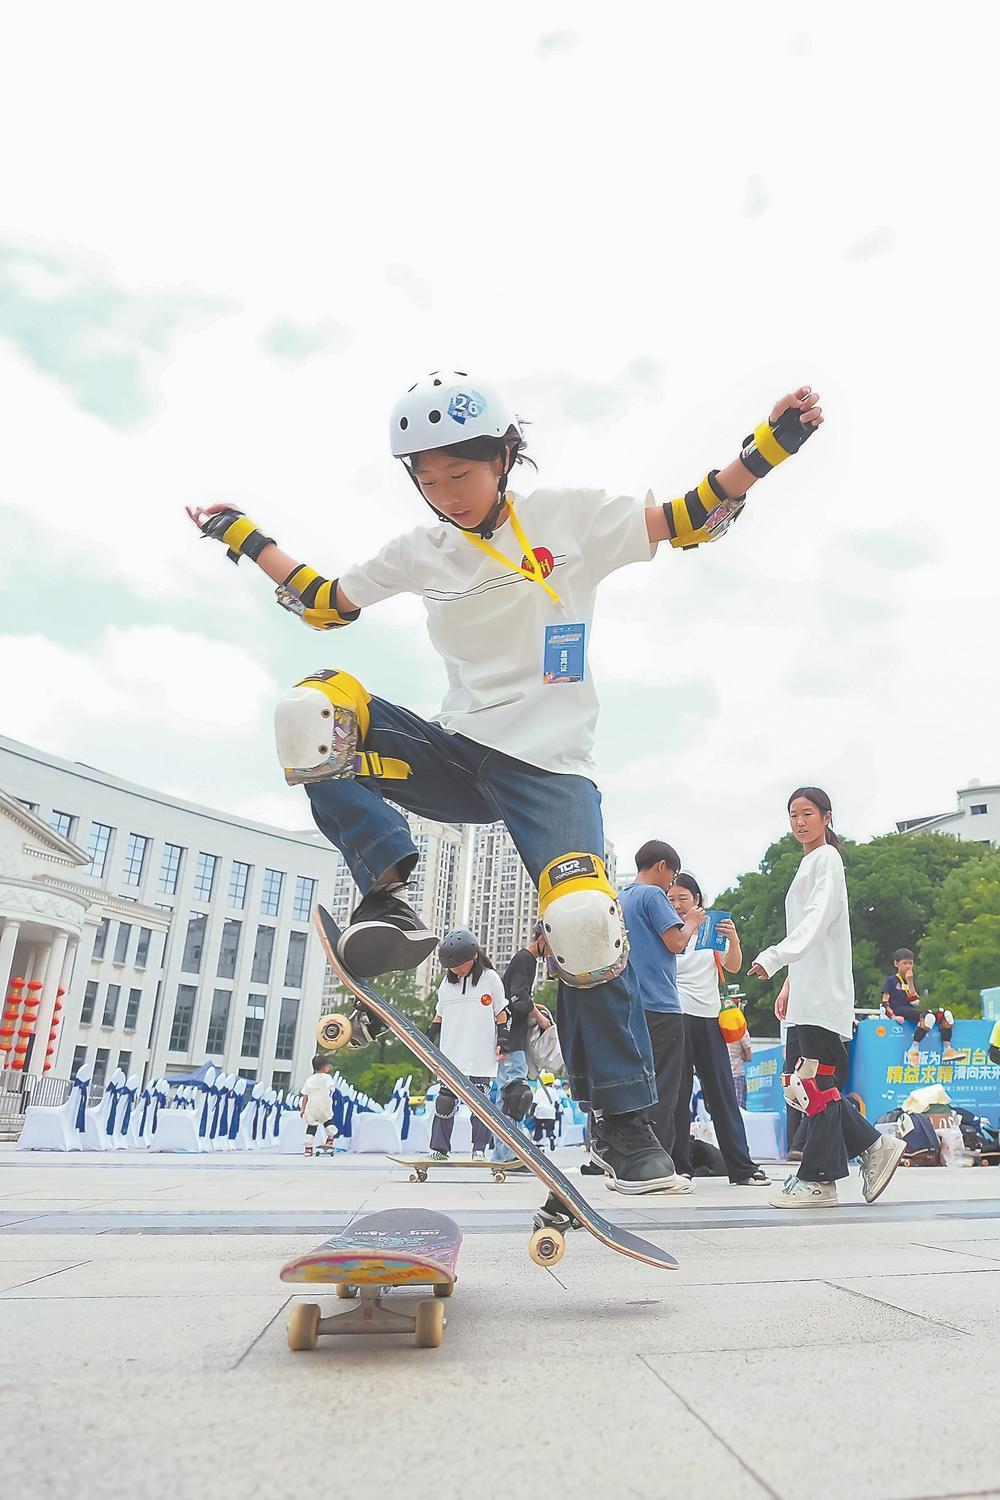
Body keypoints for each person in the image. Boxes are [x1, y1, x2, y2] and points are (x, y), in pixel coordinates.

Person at [188, 371, 822, 1194]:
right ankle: (385, 888)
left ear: (503, 459)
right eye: (428, 480)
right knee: (310, 711)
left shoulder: (568, 519)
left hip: (551, 770)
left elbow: (689, 514)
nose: (446, 494)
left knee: (586, 924)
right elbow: (323, 601)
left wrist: (769, 446)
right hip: (456, 752)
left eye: (461, 474)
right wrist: (238, 531)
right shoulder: (422, 551)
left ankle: (625, 1126)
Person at [748, 787, 906, 1208]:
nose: (799, 822)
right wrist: (790, 982)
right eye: (793, 815)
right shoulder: (808, 863)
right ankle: (873, 1146)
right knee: (802, 1085)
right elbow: (811, 933)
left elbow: (817, 922)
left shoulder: (828, 860)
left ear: (826, 817)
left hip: (824, 996)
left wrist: (775, 958)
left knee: (815, 1083)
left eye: (807, 814)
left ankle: (819, 1180)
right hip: (807, 991)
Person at [668, 873, 770, 1187]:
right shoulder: (668, 931)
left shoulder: (711, 929)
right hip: (678, 1015)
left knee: (723, 1093)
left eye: (683, 898)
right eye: (671, 899)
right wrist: (687, 925)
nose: (677, 904)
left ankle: (742, 1167)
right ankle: (679, 1166)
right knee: (678, 1094)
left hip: (710, 1017)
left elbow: (733, 965)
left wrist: (734, 939)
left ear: (697, 899)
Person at [619, 840, 704, 1194]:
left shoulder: (621, 896)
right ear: (663, 867)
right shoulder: (652, 896)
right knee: (665, 1091)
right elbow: (676, 943)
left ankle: (631, 1166)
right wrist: (693, 921)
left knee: (635, 1090)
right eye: (671, 877)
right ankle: (660, 1167)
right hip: (661, 1004)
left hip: (629, 1004)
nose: (671, 887)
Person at [427, 929, 507, 1159]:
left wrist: (503, 1039)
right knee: (444, 1102)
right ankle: (440, 1149)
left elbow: (501, 1011)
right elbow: (439, 1013)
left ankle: (479, 1149)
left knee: (479, 1104)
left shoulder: (490, 978)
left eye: (459, 964)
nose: (455, 969)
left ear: (473, 958)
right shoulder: (447, 984)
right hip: (451, 1053)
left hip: (480, 1053)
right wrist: (430, 1034)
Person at [493, 921, 549, 1166]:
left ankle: (505, 1153)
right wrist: (540, 1019)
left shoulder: (527, 960)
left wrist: (536, 1008)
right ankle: (510, 1153)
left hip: (510, 1039)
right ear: (543, 939)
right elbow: (518, 999)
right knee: (515, 1096)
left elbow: (519, 999)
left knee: (509, 1096)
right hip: (511, 1040)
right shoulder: (526, 959)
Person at [881, 949, 961, 1067]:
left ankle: (947, 1049)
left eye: (910, 963)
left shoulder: (912, 980)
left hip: (910, 1009)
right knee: (928, 1016)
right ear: (896, 964)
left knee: (945, 1014)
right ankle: (913, 1049)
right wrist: (893, 1016)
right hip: (899, 1009)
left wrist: (910, 982)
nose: (908, 966)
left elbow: (915, 1002)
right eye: (905, 963)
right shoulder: (891, 981)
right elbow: (884, 1002)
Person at [299, 1055, 337, 1157]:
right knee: (328, 1121)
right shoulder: (328, 1078)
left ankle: (308, 1149)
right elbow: (332, 1089)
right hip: (324, 1105)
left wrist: (303, 1109)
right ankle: (330, 1140)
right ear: (325, 1067)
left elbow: (305, 1096)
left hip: (312, 1106)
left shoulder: (310, 1080)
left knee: (311, 1127)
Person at [531, 1074, 558, 1151]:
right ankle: (551, 1137)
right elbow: (556, 1103)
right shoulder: (554, 1091)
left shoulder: (539, 1091)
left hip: (540, 1112)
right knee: (550, 1129)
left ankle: (539, 1143)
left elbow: (534, 1103)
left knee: (538, 1128)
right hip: (550, 1113)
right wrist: (555, 1111)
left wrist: (531, 1113)